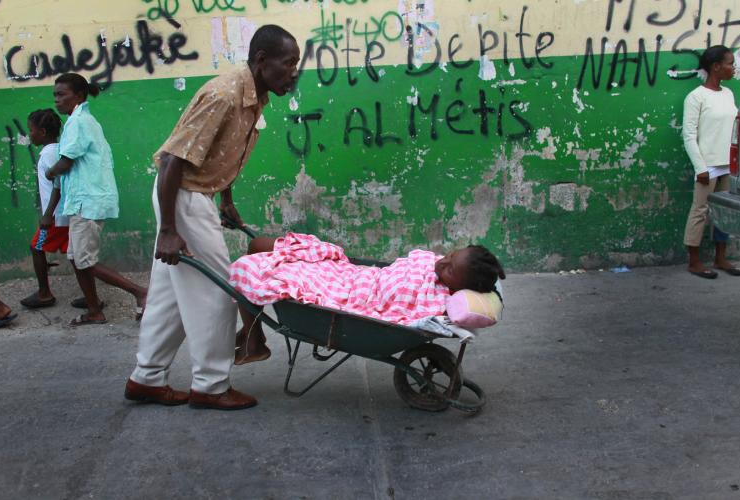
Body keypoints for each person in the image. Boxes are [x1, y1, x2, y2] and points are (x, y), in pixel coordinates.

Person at [125, 25, 301, 410]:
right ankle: (211, 385)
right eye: (288, 63)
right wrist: (169, 231)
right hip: (183, 198)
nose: (294, 71)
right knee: (220, 292)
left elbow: (220, 151)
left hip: (196, 194)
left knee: (169, 298)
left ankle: (146, 378)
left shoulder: (255, 97)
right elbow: (173, 159)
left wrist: (227, 198)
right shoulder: (223, 95)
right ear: (261, 61)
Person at [230, 233, 506, 363]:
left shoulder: (435, 300)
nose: (442, 262)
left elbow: (393, 313)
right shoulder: (434, 265)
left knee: (248, 265)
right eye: (449, 255)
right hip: (348, 273)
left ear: (460, 288)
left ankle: (254, 341)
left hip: (344, 292)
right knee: (259, 246)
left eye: (449, 268)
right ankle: (251, 333)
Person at [45, 73, 147, 324]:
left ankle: (141, 292)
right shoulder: (79, 121)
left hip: (87, 201)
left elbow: (66, 162)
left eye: (61, 94)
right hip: (85, 199)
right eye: (55, 95)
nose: (56, 100)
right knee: (77, 258)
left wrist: (50, 171)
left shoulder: (79, 122)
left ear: (78, 95)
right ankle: (94, 310)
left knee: (84, 261)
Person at [682, 45, 740, 279]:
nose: (733, 67)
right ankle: (694, 261)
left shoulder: (727, 94)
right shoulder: (696, 97)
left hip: (729, 165)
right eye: (729, 63)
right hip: (707, 166)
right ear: (716, 67)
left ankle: (721, 258)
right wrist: (701, 168)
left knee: (724, 214)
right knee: (700, 211)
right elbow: (689, 135)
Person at [18, 109, 70, 309]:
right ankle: (91, 296)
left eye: (31, 130)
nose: (30, 134)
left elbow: (57, 184)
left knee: (36, 246)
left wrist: (47, 214)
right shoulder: (58, 149)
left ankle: (44, 293)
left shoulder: (49, 153)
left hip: (56, 217)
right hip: (63, 215)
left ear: (42, 131)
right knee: (76, 256)